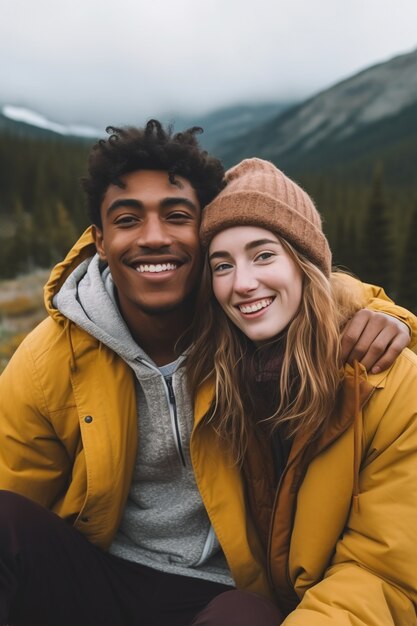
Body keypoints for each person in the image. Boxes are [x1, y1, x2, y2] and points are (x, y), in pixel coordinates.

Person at [0, 122, 415, 626]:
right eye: (127, 219)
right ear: (100, 242)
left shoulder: (241, 330)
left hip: (224, 593)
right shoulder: (50, 361)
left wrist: (388, 315)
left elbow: (312, 292)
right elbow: (18, 494)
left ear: (200, 234)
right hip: (100, 573)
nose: (153, 237)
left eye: (176, 216)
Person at [187, 157, 417, 625]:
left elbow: (383, 571)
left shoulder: (385, 377)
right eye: (222, 265)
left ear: (305, 262)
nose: (243, 283)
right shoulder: (213, 376)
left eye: (264, 254)